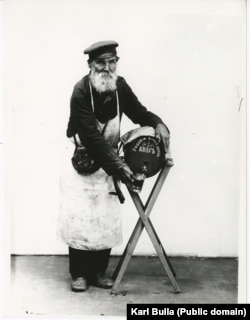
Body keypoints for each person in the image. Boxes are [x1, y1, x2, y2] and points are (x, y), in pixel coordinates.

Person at [57, 40, 171, 292]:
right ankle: (79, 274)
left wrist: (159, 123)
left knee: (105, 218)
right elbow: (91, 138)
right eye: (100, 63)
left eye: (112, 62)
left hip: (109, 163)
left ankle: (98, 272)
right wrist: (119, 167)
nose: (107, 68)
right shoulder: (80, 91)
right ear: (90, 65)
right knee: (81, 217)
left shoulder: (120, 87)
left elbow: (140, 113)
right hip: (82, 162)